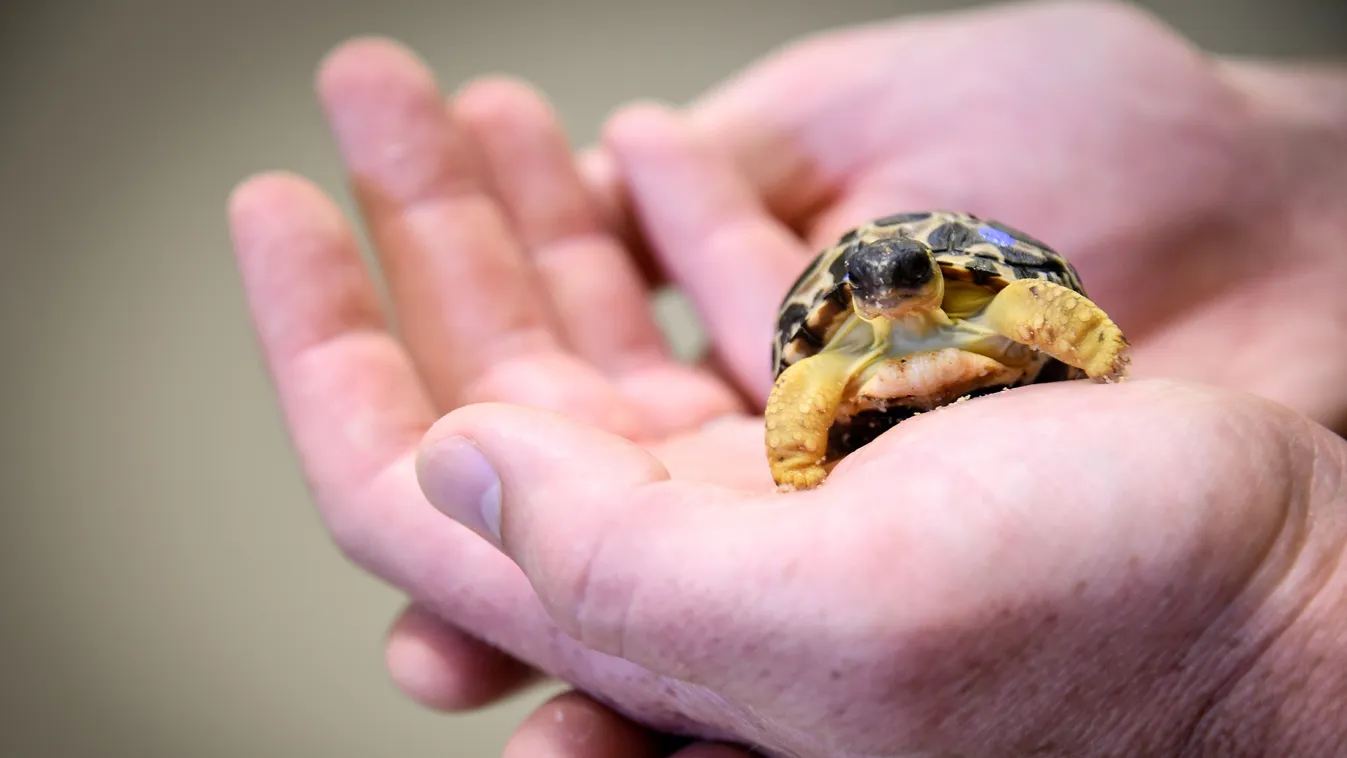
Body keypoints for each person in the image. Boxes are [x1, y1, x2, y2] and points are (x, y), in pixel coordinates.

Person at [226, 1, 1347, 755]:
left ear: (924, 273)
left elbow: (1054, 314)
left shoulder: (998, 305)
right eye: (870, 279)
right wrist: (798, 472)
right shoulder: (846, 352)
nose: (887, 288)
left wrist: (1278, 627)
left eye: (901, 273)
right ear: (855, 291)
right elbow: (805, 393)